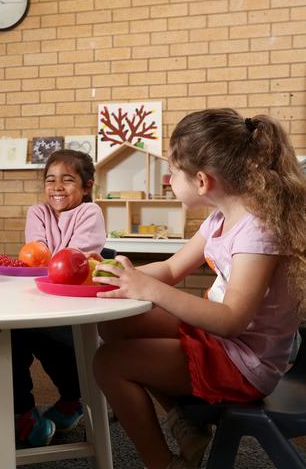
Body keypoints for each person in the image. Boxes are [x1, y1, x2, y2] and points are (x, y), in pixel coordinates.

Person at [92, 109, 306, 469]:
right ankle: (185, 421)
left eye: (174, 171)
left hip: (246, 364)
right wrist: (119, 272)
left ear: (203, 181)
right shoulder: (221, 217)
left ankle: (165, 465)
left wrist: (149, 290)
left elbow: (232, 321)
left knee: (109, 364)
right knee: (113, 325)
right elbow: (173, 268)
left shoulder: (258, 232)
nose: (168, 178)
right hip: (224, 344)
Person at [13, 149, 106, 446]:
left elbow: (72, 260)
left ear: (87, 186)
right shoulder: (37, 212)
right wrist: (45, 258)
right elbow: (36, 251)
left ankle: (72, 398)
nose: (57, 187)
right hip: (41, 299)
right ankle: (21, 410)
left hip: (75, 306)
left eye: (67, 180)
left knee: (52, 338)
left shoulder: (89, 212)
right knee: (10, 336)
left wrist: (45, 259)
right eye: (50, 180)